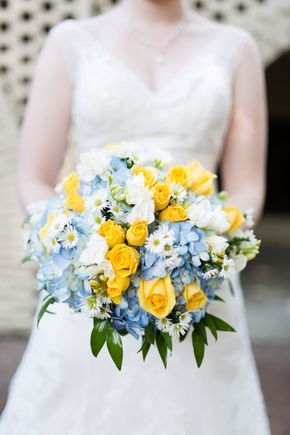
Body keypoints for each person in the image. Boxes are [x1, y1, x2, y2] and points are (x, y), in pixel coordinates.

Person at [0, 0, 271, 434]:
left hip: (199, 280)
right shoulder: (70, 42)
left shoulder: (236, 47)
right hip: (92, 274)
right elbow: (34, 178)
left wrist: (202, 252)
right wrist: (84, 248)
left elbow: (247, 186)